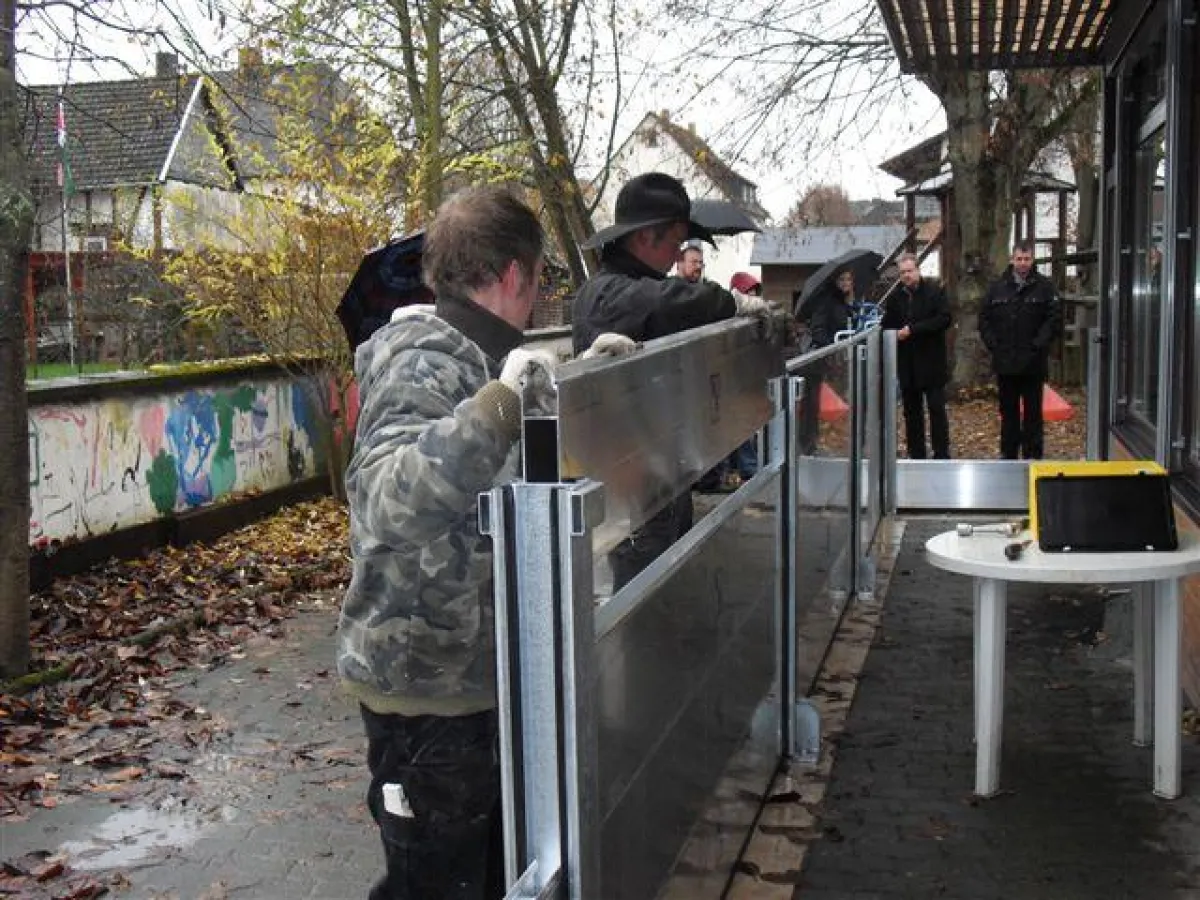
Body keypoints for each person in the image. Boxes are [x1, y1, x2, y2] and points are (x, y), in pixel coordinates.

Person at [337, 185, 633, 900]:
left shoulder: (474, 354)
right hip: (427, 697)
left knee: (479, 873)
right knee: (436, 883)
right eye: (537, 284)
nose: (536, 303)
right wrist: (499, 406)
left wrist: (594, 376)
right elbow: (385, 500)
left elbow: (500, 462)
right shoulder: (422, 359)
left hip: (473, 679)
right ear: (512, 276)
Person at [572, 171, 769, 588]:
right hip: (631, 490)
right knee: (644, 592)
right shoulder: (607, 293)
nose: (679, 252)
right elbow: (666, 302)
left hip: (659, 472)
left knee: (672, 580)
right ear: (645, 238)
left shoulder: (635, 284)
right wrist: (729, 301)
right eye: (675, 242)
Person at [979, 240, 1062, 460]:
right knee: (1008, 415)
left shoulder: (1045, 287)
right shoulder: (997, 287)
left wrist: (1038, 345)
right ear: (1012, 259)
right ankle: (1008, 456)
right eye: (1019, 259)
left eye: (1026, 259)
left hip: (1033, 364)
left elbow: (1054, 321)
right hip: (1005, 364)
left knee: (1033, 415)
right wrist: (994, 345)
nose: (1023, 263)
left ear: (1032, 260)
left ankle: (1033, 458)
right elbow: (984, 319)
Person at [882, 254, 952, 459]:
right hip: (908, 364)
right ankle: (917, 453)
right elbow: (888, 324)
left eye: (909, 271)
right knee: (912, 413)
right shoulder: (895, 298)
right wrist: (893, 333)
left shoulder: (934, 292)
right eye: (902, 272)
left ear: (918, 270)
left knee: (936, 409)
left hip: (932, 362)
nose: (906, 276)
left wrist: (913, 330)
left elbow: (943, 319)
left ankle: (941, 453)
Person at [793, 265, 852, 455]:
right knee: (809, 403)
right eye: (841, 279)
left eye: (848, 279)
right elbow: (819, 330)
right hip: (814, 357)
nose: (845, 283)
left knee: (814, 402)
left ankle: (810, 444)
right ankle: (806, 445)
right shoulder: (827, 300)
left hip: (822, 358)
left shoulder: (841, 301)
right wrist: (832, 348)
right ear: (834, 281)